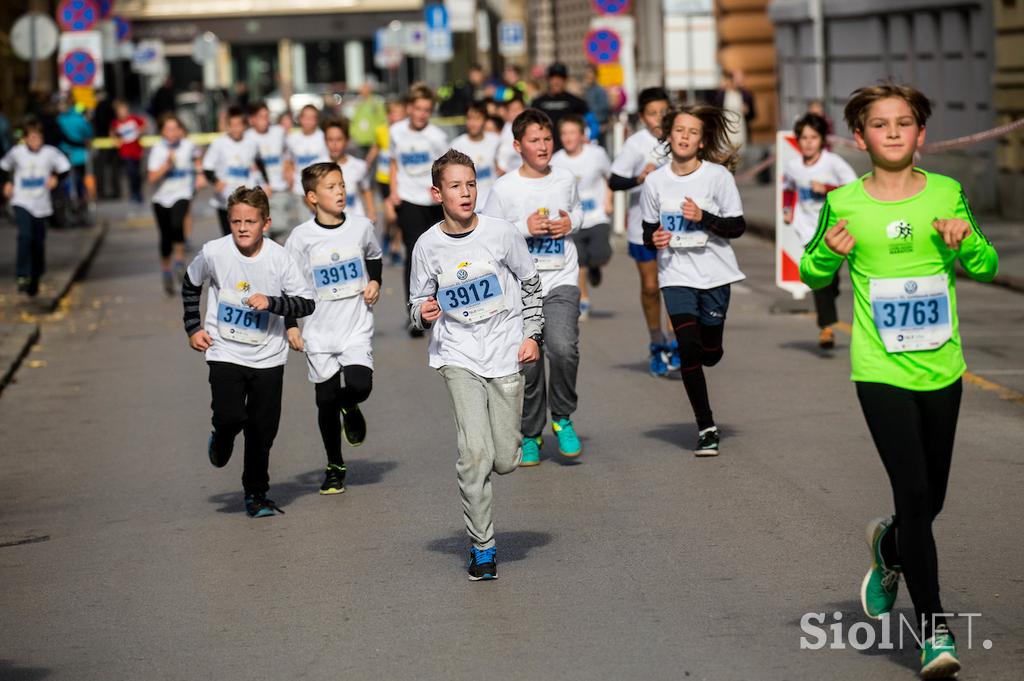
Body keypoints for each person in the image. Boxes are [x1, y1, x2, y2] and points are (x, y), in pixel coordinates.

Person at [799, 83, 998, 679]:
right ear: (859, 138)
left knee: (929, 500)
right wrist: (830, 256)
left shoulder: (947, 193)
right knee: (913, 495)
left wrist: (967, 244)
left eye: (904, 123)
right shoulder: (844, 202)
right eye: (879, 124)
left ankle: (889, 547)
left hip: (941, 368)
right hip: (880, 370)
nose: (892, 132)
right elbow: (811, 270)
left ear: (920, 135)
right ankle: (934, 631)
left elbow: (988, 264)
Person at [408, 149, 543, 580]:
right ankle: (482, 546)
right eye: (455, 186)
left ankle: (509, 448)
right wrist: (422, 314)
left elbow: (530, 281)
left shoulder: (502, 234)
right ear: (437, 193)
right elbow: (416, 302)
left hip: (505, 351)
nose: (465, 193)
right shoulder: (427, 245)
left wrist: (532, 334)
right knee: (474, 453)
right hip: (457, 354)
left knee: (504, 459)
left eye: (470, 184)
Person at [181, 186, 315, 518]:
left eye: (250, 221)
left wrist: (272, 303)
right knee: (230, 417)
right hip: (224, 350)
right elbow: (190, 283)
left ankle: (255, 493)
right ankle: (222, 438)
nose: (242, 228)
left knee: (262, 428)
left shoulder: (278, 257)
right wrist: (193, 327)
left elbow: (306, 302)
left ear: (265, 223)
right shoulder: (214, 252)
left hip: (268, 355)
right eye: (236, 221)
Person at [640, 105, 746, 457]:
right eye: (679, 130)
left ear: (701, 142)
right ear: (669, 136)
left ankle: (711, 348)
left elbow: (737, 227)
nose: (684, 136)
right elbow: (647, 232)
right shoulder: (655, 182)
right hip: (676, 275)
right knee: (687, 346)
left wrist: (703, 217)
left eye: (693, 132)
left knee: (710, 354)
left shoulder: (717, 177)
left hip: (715, 274)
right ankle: (706, 426)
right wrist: (654, 239)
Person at [482, 108, 584, 466]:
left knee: (563, 348)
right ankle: (530, 432)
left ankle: (562, 416)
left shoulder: (566, 178)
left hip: (561, 278)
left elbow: (578, 211)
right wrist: (524, 227)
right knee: (529, 362)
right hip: (521, 287)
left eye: (547, 139)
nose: (542, 146)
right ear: (517, 145)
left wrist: (571, 222)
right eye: (534, 140)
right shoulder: (505, 187)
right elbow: (490, 235)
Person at [284, 162, 382, 495]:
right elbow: (289, 286)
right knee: (324, 401)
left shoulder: (360, 226)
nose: (339, 191)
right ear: (312, 197)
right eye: (330, 187)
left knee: (360, 385)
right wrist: (291, 326)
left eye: (341, 185)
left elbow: (374, 256)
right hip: (318, 331)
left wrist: (376, 282)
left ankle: (350, 404)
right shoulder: (300, 238)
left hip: (354, 325)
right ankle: (335, 465)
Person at [608, 87, 677, 376]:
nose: (658, 118)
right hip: (643, 227)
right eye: (652, 113)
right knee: (651, 287)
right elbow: (614, 181)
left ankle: (676, 342)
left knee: (675, 287)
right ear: (642, 117)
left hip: (676, 227)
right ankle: (656, 341)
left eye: (663, 111)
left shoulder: (681, 136)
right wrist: (640, 177)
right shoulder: (636, 144)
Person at [782, 113, 857, 348]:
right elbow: (788, 186)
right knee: (819, 276)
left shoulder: (832, 162)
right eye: (803, 137)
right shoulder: (793, 166)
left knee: (831, 281)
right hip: (808, 229)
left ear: (822, 139)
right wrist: (787, 209)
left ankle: (830, 297)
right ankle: (826, 328)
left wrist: (827, 188)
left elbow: (853, 188)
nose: (808, 142)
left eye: (813, 137)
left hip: (834, 228)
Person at [388, 83, 449, 335]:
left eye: (427, 110)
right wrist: (392, 192)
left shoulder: (437, 136)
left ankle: (438, 307)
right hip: (408, 198)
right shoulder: (396, 131)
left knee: (436, 256)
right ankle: (414, 311)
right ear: (409, 108)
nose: (422, 114)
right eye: (418, 108)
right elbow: (393, 161)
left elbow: (445, 167)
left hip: (432, 201)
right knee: (413, 255)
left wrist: (439, 189)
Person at [551, 114, 613, 320]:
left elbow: (609, 177)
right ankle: (583, 299)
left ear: (582, 134)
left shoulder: (597, 154)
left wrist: (608, 201)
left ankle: (597, 266)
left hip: (597, 216)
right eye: (564, 133)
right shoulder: (557, 159)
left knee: (600, 255)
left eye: (572, 133)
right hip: (572, 219)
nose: (568, 137)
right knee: (579, 261)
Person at [0, 119, 71, 296]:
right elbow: (3, 167)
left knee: (38, 243)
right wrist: (7, 183)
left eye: (38, 137)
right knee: (25, 236)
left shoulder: (50, 153)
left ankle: (36, 277)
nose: (35, 140)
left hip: (42, 203)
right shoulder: (17, 152)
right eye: (32, 137)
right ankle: (22, 274)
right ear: (25, 138)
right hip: (21, 200)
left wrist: (56, 177)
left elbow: (65, 168)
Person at [148, 113, 202, 295]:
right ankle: (166, 271)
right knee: (165, 236)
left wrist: (200, 174)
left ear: (180, 130)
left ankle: (179, 262)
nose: (172, 133)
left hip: (182, 193)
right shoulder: (157, 150)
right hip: (161, 197)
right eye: (168, 129)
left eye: (175, 129)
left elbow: (197, 159)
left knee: (178, 224)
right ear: (162, 132)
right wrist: (166, 165)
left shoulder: (188, 145)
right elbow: (151, 177)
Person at [202, 106, 263, 236]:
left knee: (246, 234)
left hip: (246, 195)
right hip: (225, 198)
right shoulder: (219, 143)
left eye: (239, 125)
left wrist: (265, 184)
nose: (236, 129)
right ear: (228, 126)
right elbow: (207, 167)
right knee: (228, 236)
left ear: (244, 126)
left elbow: (259, 163)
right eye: (232, 125)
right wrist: (216, 181)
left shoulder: (251, 143)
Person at [245, 101, 292, 239]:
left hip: (279, 187)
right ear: (252, 119)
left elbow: (287, 152)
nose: (265, 120)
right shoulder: (247, 137)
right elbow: (251, 164)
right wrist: (263, 184)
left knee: (282, 226)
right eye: (261, 117)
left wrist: (288, 169)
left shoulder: (278, 132)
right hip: (258, 189)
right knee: (262, 229)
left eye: (266, 116)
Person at [450, 100, 502, 210]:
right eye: (470, 118)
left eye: (477, 118)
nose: (473, 123)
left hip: (493, 203)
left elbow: (502, 167)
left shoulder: (495, 140)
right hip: (469, 205)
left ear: (485, 120)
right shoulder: (457, 144)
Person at [373, 98, 407, 266]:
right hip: (384, 178)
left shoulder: (405, 133)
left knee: (400, 216)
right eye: (394, 114)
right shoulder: (381, 131)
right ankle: (386, 234)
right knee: (391, 216)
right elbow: (375, 149)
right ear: (388, 116)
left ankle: (395, 249)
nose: (398, 117)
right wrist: (365, 165)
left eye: (401, 114)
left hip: (400, 179)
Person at [322, 118, 375, 222]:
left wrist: (371, 212)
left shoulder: (359, 166)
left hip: (354, 221)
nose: (334, 144)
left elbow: (366, 189)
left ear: (347, 141)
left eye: (339, 139)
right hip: (328, 225)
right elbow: (308, 198)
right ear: (325, 141)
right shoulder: (316, 167)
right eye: (330, 139)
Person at [285, 104, 329, 226]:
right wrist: (289, 174)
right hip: (300, 190)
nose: (309, 121)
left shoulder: (323, 137)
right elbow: (288, 159)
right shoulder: (292, 138)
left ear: (317, 120)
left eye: (312, 117)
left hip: (319, 190)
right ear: (300, 119)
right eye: (306, 117)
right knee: (305, 226)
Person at [530, 63, 589, 151]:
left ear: (565, 80)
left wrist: (587, 137)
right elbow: (530, 126)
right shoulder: (537, 103)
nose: (557, 81)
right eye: (553, 78)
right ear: (548, 80)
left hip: (569, 150)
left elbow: (591, 123)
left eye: (560, 78)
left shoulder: (577, 102)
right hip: (544, 149)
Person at [56, 100, 93, 224]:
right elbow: (88, 133)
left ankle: (68, 203)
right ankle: (81, 203)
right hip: (78, 155)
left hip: (64, 156)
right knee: (79, 181)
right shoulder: (79, 119)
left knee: (66, 182)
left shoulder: (58, 120)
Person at [111, 100, 146, 204]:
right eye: (121, 111)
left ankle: (139, 192)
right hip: (125, 152)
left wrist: (140, 131)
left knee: (137, 173)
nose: (123, 113)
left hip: (136, 150)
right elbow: (112, 132)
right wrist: (115, 140)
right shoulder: (116, 122)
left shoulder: (133, 119)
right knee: (131, 172)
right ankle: (133, 193)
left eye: (124, 110)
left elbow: (144, 125)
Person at [495, 91, 526, 175]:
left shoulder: (530, 127)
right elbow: (503, 156)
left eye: (518, 109)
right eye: (513, 110)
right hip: (511, 175)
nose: (516, 113)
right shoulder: (507, 131)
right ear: (507, 113)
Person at [582, 64, 611, 147]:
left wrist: (602, 124)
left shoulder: (599, 90)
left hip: (598, 126)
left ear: (595, 76)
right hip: (588, 125)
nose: (588, 77)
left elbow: (604, 108)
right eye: (586, 75)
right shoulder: (587, 90)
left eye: (590, 74)